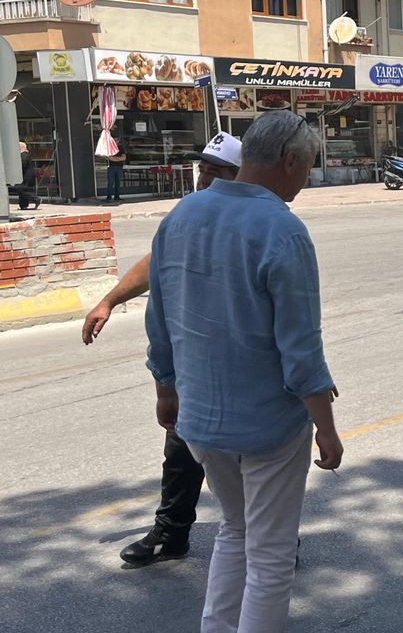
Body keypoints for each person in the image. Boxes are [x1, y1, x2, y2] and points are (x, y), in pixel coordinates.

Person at [145, 111, 342, 632]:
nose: (308, 177)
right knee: (272, 553)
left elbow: (159, 320)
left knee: (235, 531)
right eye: (309, 166)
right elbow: (300, 351)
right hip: (267, 427)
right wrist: (325, 426)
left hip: (202, 419)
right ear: (290, 161)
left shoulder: (182, 216)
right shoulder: (283, 229)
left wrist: (166, 388)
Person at [82, 133, 243, 566]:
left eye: (217, 171)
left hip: (245, 368)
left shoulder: (255, 221)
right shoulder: (187, 215)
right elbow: (156, 268)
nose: (205, 177)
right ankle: (171, 535)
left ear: (240, 176)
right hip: (195, 367)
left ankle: (274, 540)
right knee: (181, 450)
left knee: (253, 459)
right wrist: (110, 300)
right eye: (203, 169)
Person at [15, 142, 39, 210]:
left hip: (26, 175)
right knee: (22, 189)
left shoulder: (24, 155)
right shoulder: (25, 154)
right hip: (26, 175)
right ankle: (23, 205)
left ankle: (36, 199)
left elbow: (23, 165)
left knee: (20, 189)